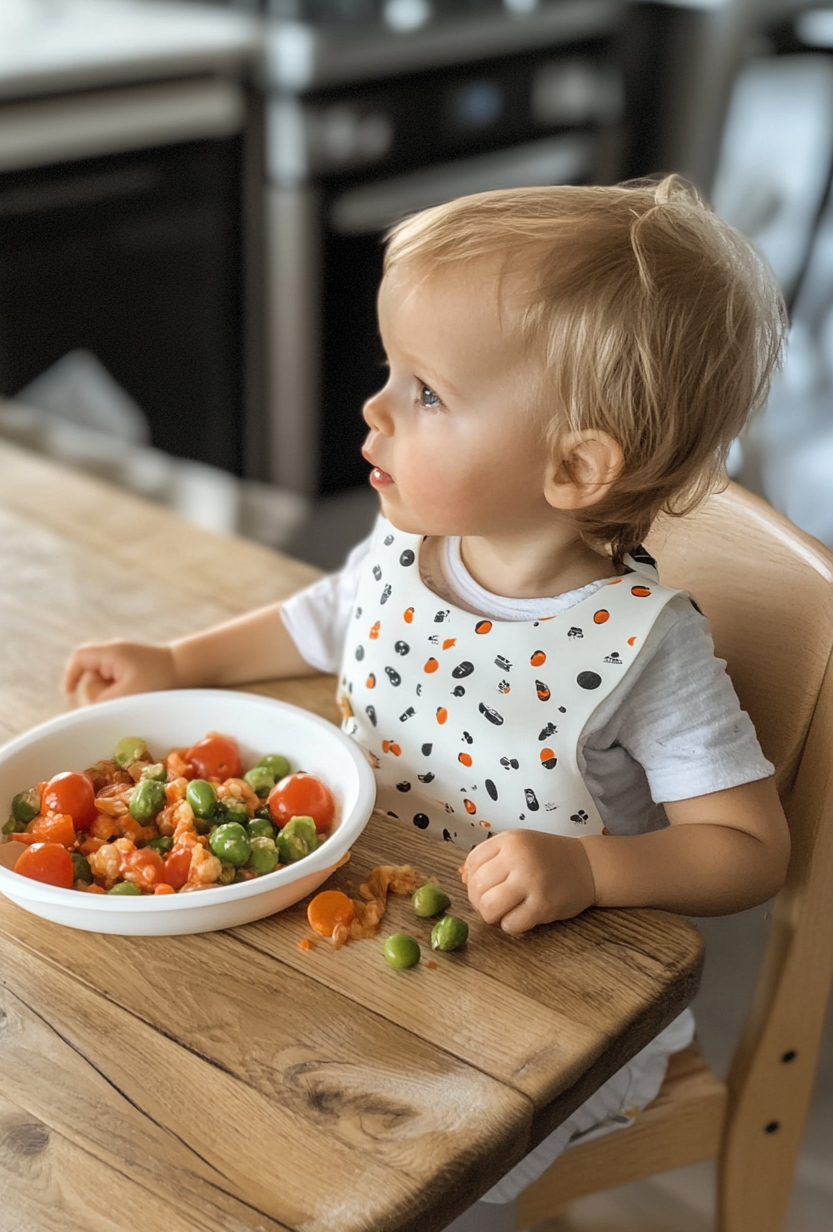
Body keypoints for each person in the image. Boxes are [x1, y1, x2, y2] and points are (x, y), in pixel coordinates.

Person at [64, 177, 791, 1230]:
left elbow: (744, 846)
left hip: (530, 1010)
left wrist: (590, 866)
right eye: (391, 373)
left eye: (427, 393)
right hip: (362, 929)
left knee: (399, 1188)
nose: (375, 409)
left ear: (576, 465)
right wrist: (179, 659)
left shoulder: (647, 644)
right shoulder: (409, 543)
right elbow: (327, 616)